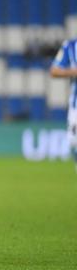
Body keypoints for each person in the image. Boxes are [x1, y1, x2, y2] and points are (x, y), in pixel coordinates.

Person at [50, 38, 77, 171]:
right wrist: (73, 72)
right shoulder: (71, 46)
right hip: (75, 106)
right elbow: (54, 70)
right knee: (73, 142)